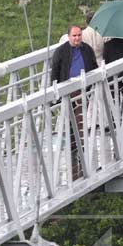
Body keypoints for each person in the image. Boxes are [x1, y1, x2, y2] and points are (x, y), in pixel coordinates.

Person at [50, 24, 99, 179]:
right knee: (70, 123)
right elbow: (55, 72)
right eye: (74, 36)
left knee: (79, 122)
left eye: (79, 35)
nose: (77, 38)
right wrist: (55, 93)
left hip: (82, 91)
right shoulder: (61, 51)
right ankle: (74, 154)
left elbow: (94, 67)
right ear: (69, 36)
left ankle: (80, 154)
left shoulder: (87, 49)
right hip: (67, 93)